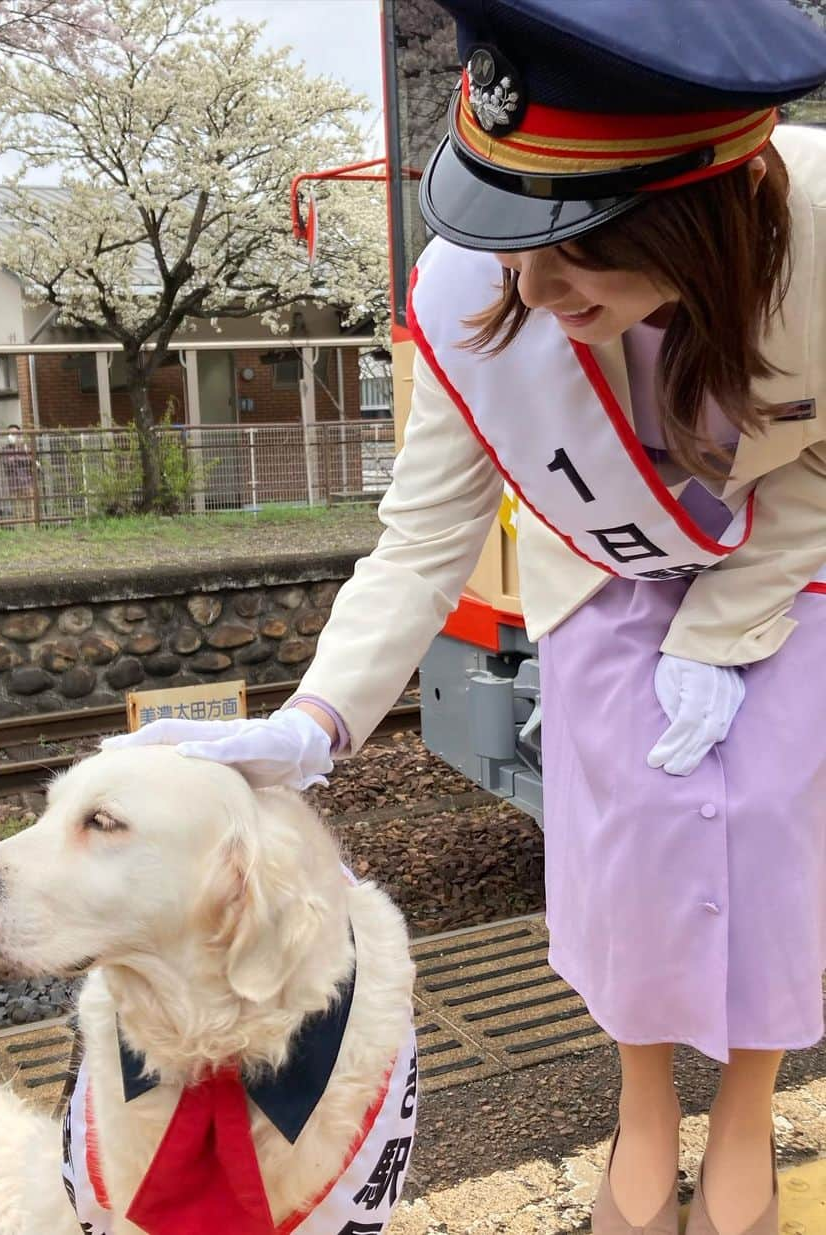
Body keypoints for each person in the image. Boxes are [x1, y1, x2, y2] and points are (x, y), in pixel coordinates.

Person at [104, 3, 826, 1233]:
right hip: (598, 574)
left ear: (696, 218)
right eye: (513, 238)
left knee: (775, 834)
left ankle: (747, 1112)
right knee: (625, 855)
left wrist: (725, 626)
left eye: (578, 245)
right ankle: (642, 1116)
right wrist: (317, 720)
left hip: (789, 568)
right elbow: (426, 534)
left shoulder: (817, 237)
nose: (533, 287)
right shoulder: (473, 289)